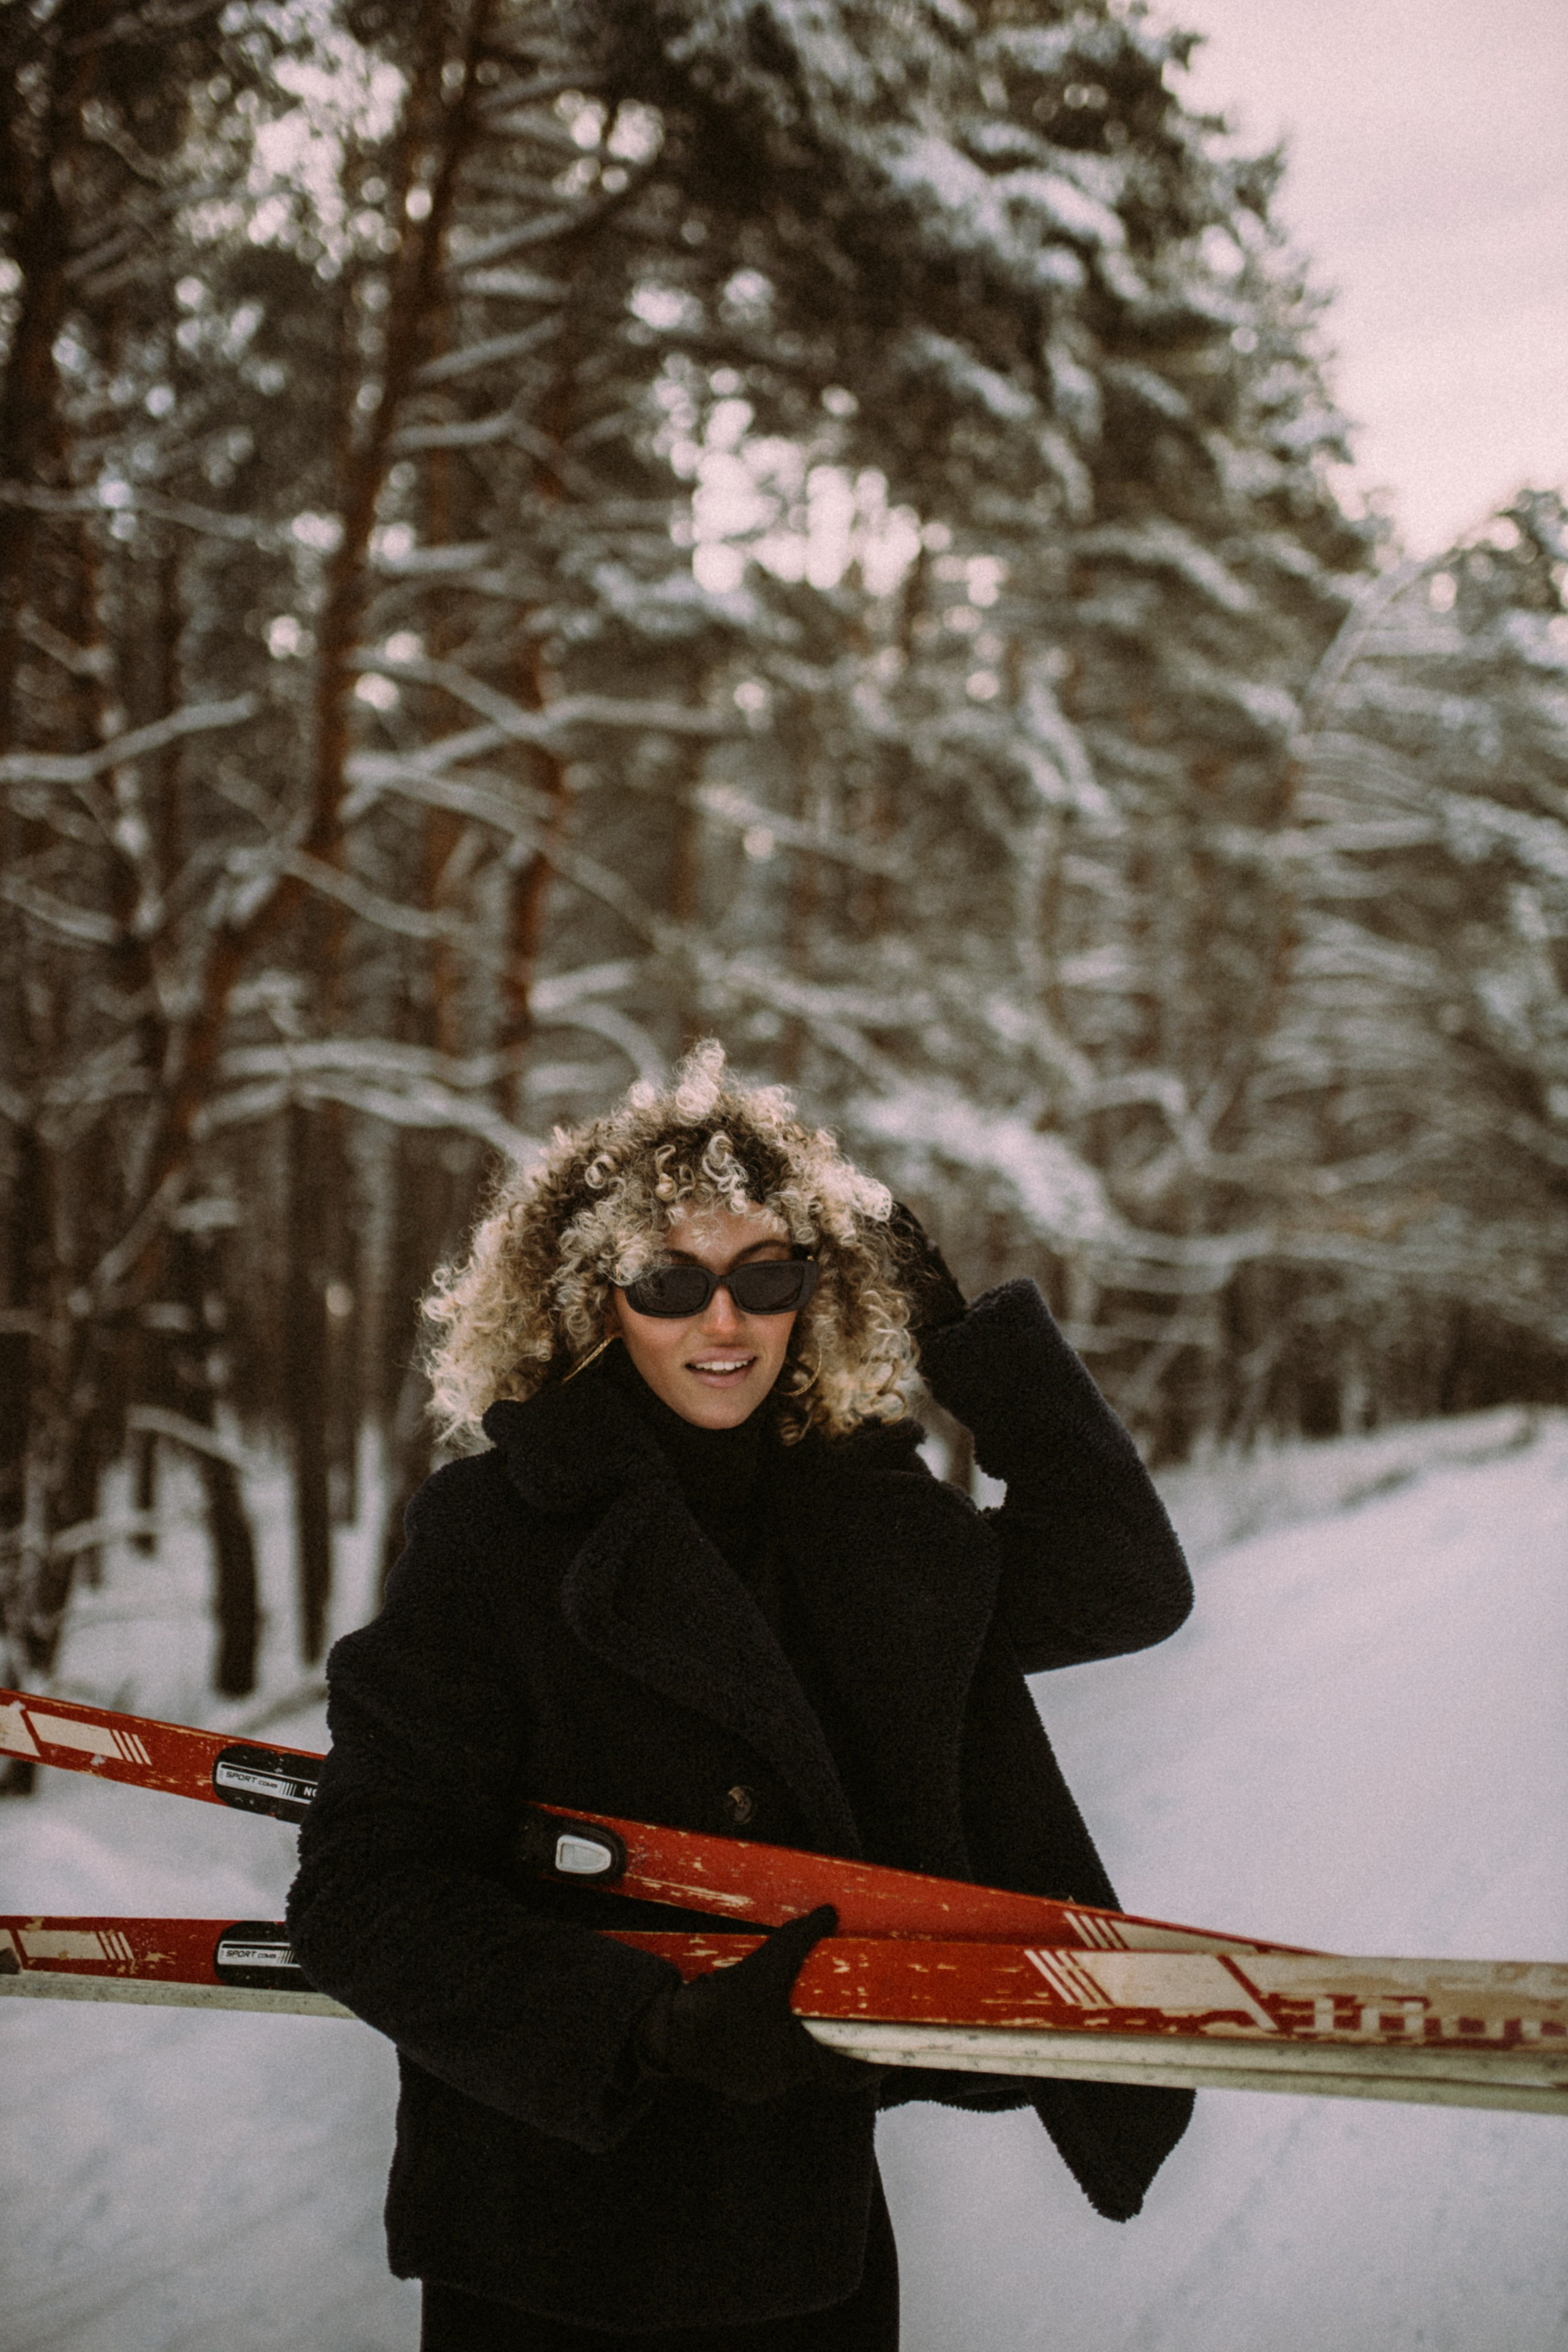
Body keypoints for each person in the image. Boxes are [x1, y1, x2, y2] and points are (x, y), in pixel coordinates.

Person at [287, 1042, 1196, 2349]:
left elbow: (1120, 1588)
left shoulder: (862, 1517)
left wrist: (961, 1342)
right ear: (594, 1298)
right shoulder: (497, 1529)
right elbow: (365, 1893)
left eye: (766, 1276)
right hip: (551, 2225)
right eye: (670, 1281)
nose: (724, 1323)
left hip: (795, 2227)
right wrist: (646, 2028)